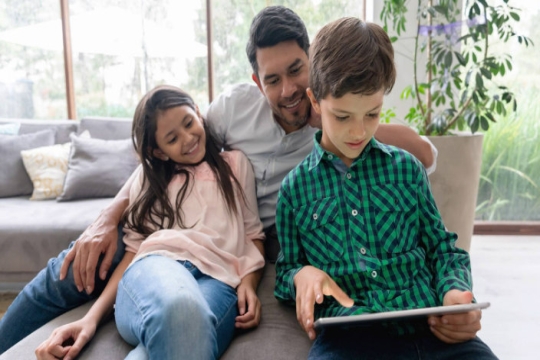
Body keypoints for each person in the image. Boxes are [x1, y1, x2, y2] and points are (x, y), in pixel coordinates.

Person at [0, 6, 439, 353]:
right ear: (257, 81)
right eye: (273, 79)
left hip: (248, 241)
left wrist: (336, 119)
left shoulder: (340, 122)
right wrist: (106, 218)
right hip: (174, 234)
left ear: (313, 65)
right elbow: (167, 158)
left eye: (296, 70)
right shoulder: (231, 109)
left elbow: (424, 154)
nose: (287, 89)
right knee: (73, 266)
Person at [274, 17, 497, 359]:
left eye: (373, 114)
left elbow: (443, 249)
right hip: (348, 340)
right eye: (343, 117)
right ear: (315, 102)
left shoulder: (407, 170)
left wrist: (455, 293)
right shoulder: (294, 190)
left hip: (430, 329)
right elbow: (286, 270)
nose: (358, 132)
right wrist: (300, 275)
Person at [35, 85, 265, 360]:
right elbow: (132, 254)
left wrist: (249, 283)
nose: (188, 137)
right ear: (159, 152)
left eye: (189, 122)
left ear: (199, 114)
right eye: (172, 138)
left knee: (174, 340)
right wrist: (91, 319)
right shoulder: (149, 179)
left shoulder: (235, 165)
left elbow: (254, 235)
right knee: (180, 309)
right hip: (156, 268)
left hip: (219, 282)